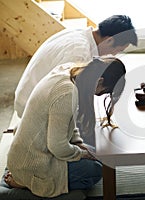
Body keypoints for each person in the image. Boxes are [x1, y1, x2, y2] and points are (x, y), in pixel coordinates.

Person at [5, 57, 127, 198]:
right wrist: (81, 154)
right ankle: (27, 182)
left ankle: (26, 177)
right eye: (101, 92)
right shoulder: (66, 93)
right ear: (99, 81)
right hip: (33, 163)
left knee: (98, 155)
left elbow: (66, 122)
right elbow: (57, 147)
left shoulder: (69, 71)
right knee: (96, 171)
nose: (98, 95)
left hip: (36, 149)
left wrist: (80, 144)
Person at [14, 15, 137, 118]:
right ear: (109, 40)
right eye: (117, 50)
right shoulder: (79, 54)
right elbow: (64, 97)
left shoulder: (79, 33)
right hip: (30, 109)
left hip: (26, 96)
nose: (114, 54)